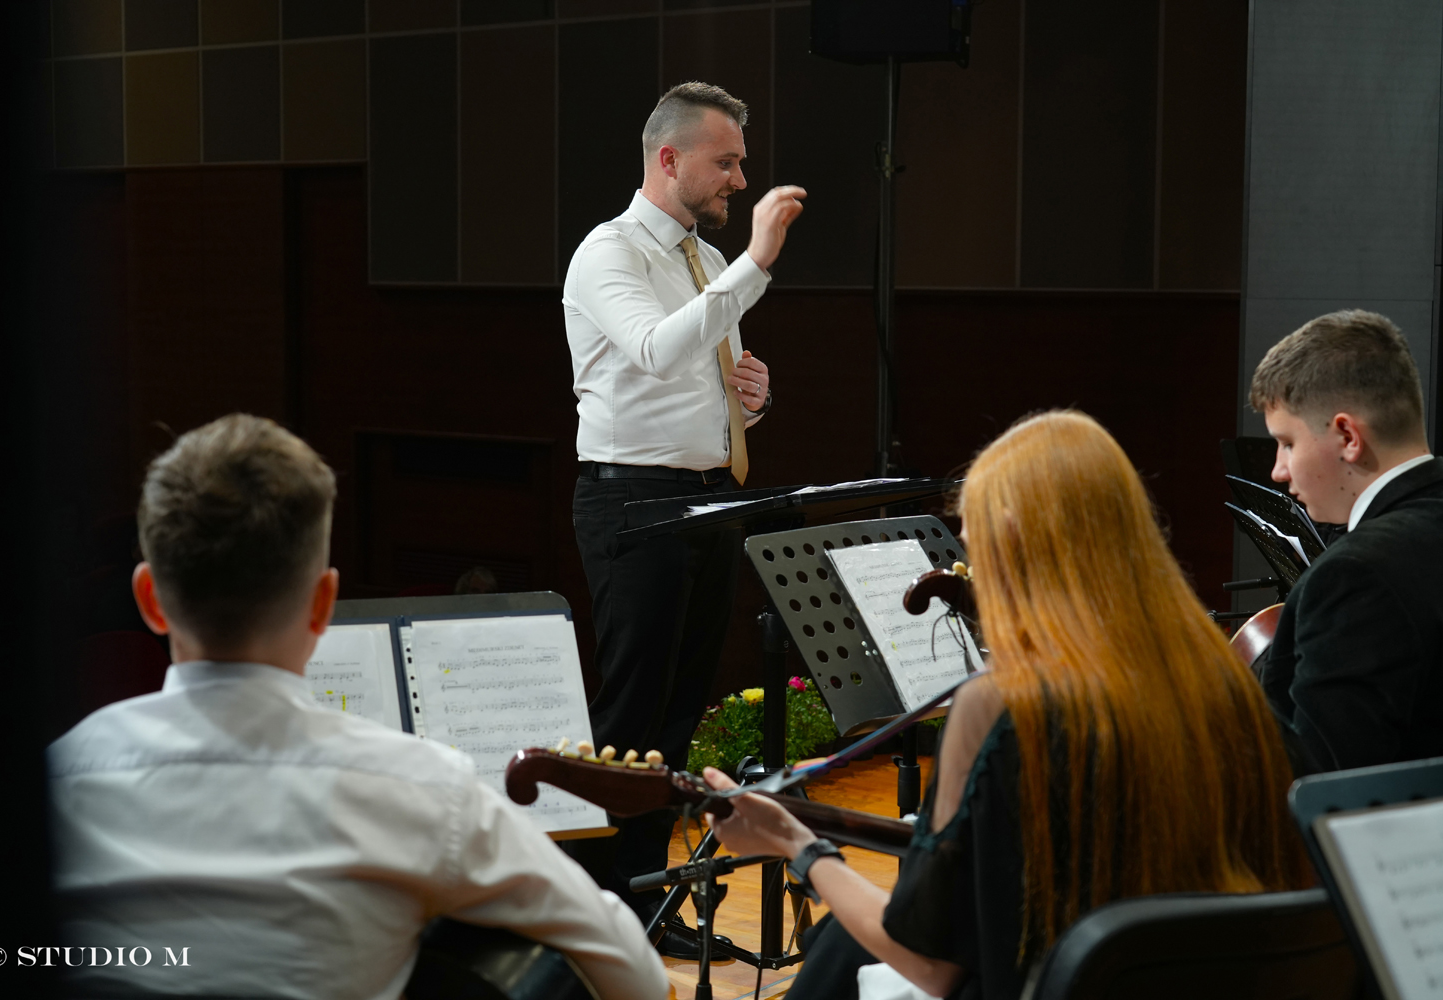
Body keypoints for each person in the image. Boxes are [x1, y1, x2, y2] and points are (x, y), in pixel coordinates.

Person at [47, 415, 667, 1000]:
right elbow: (635, 973)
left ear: (150, 599)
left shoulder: (56, 784)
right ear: (324, 603)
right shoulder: (424, 790)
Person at [703, 411, 1311, 1000]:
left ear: (1014, 534)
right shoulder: (1227, 685)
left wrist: (800, 845)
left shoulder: (1001, 705)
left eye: (975, 544)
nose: (970, 569)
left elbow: (931, 966)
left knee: (841, 952)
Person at [562, 80, 806, 926]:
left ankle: (646, 903)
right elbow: (656, 351)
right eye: (726, 162)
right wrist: (758, 262)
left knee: (675, 718)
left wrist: (751, 399)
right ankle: (597, 912)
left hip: (706, 499)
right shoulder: (611, 252)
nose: (740, 179)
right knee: (631, 721)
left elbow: (697, 385)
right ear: (669, 160)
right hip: (634, 502)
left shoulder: (701, 260)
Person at [1249, 309, 1443, 771]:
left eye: (1287, 443)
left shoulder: (1355, 575)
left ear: (1347, 436)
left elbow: (1322, 782)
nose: (1278, 471)